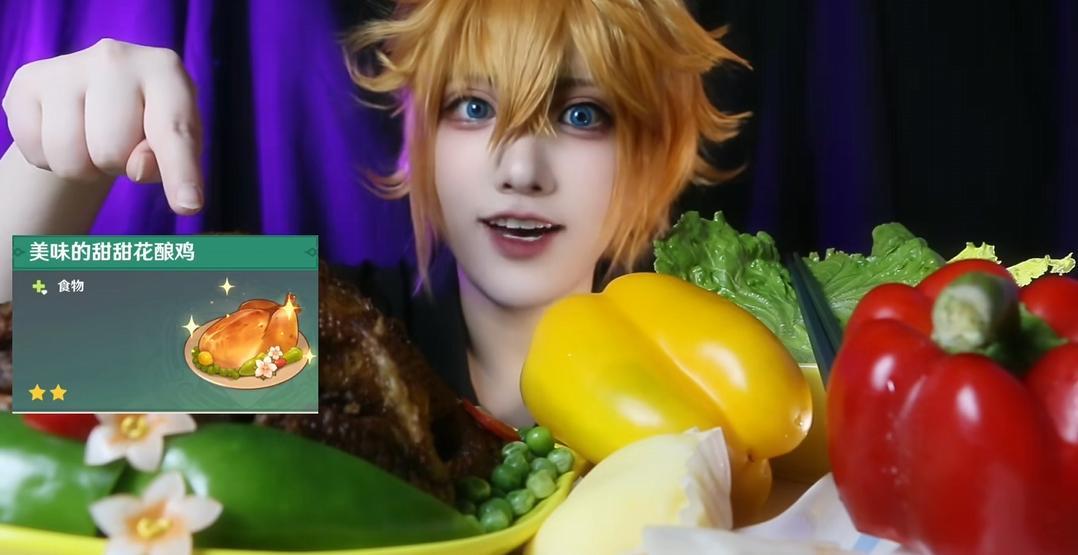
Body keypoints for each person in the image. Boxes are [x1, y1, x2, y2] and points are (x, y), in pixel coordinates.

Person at [0, 0, 747, 426]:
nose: (520, 171)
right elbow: (32, 334)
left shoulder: (728, 377)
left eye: (582, 114)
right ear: (420, 138)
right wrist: (49, 164)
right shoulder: (323, 331)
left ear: (653, 147)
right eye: (473, 107)